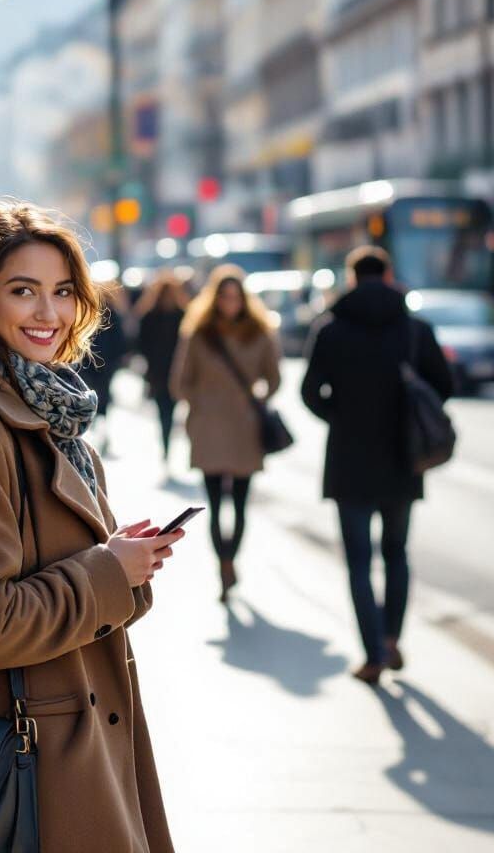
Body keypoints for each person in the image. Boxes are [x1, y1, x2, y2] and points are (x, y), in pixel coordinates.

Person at [0, 201, 179, 852]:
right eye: (24, 292)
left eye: (63, 292)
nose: (49, 314)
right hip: (25, 772)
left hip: (72, 751)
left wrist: (124, 560)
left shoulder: (50, 419)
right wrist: (108, 571)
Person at [301, 246, 452, 686]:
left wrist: (342, 417)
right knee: (397, 553)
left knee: (359, 563)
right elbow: (443, 385)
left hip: (349, 460)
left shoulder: (330, 329)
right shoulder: (413, 329)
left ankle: (372, 655)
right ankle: (391, 639)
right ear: (387, 276)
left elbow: (311, 392)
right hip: (404, 457)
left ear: (351, 278)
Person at [170, 264, 280, 602]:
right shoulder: (199, 332)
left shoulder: (260, 332)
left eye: (236, 297)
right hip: (208, 428)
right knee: (216, 505)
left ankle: (231, 557)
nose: (230, 303)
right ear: (214, 299)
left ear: (245, 299)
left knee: (242, 504)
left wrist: (255, 399)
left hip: (245, 429)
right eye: (224, 297)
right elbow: (179, 382)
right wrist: (202, 402)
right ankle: (225, 564)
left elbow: (274, 378)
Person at [135, 271, 191, 464]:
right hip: (158, 374)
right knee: (163, 412)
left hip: (176, 371)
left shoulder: (182, 316)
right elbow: (141, 344)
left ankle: (168, 444)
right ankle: (166, 444)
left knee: (171, 411)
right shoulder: (151, 316)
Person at [77, 281, 128, 456]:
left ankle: (97, 429)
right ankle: (100, 429)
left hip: (91, 364)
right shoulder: (111, 313)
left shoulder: (87, 313)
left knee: (93, 395)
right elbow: (121, 341)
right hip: (105, 364)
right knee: (102, 397)